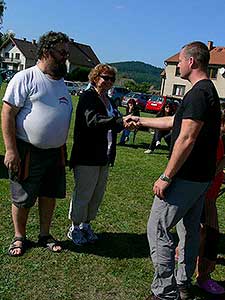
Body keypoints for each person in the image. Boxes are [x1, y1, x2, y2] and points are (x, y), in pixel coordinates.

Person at [124, 41, 221, 300]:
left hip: (186, 178)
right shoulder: (203, 92)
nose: (177, 64)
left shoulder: (199, 93)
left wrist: (167, 175)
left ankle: (164, 292)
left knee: (158, 228)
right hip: (200, 179)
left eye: (180, 60)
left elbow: (186, 138)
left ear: (191, 62)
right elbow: (176, 122)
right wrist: (140, 120)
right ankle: (181, 282)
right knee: (188, 232)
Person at [1, 31, 72, 256]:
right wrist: (11, 150)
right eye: (62, 53)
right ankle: (19, 237)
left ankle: (44, 234)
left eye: (67, 53)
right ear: (45, 51)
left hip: (55, 152)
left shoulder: (61, 83)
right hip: (27, 150)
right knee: (23, 196)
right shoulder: (25, 77)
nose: (65, 58)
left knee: (49, 194)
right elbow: (7, 113)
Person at [68, 64, 123, 246]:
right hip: (87, 155)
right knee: (83, 193)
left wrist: (128, 122)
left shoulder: (109, 100)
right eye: (104, 77)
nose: (108, 81)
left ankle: (86, 225)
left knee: (97, 195)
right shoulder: (88, 97)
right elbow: (92, 120)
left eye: (111, 79)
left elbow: (116, 123)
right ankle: (74, 228)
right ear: (95, 77)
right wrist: (117, 121)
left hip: (104, 156)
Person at [195, 111, 225, 295]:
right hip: (202, 193)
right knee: (207, 234)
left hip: (210, 194)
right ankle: (202, 277)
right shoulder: (212, 138)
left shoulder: (221, 139)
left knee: (207, 234)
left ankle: (202, 276)